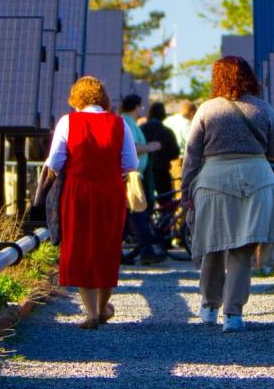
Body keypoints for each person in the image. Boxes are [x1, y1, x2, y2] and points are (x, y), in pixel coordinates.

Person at [183, 56, 274, 332]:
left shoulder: (207, 110)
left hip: (213, 181)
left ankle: (208, 307)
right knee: (242, 249)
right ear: (248, 77)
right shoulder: (263, 109)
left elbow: (191, 156)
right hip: (255, 180)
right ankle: (233, 315)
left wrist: (186, 191)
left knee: (213, 246)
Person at [44, 76, 139, 328]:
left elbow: (54, 161)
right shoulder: (119, 123)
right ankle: (102, 306)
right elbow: (131, 163)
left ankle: (91, 313)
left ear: (77, 97)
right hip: (110, 191)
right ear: (103, 98)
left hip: (78, 191)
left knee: (81, 246)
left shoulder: (68, 122)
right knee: (107, 247)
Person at [119, 94, 166, 265]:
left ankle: (122, 251)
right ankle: (146, 249)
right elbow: (131, 147)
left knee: (130, 214)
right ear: (137, 107)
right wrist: (150, 147)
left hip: (133, 174)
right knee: (138, 212)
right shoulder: (128, 123)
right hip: (132, 175)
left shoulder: (126, 122)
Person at [140, 101, 181, 203]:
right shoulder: (167, 131)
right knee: (166, 202)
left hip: (144, 170)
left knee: (145, 203)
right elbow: (175, 153)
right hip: (162, 171)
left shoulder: (141, 129)